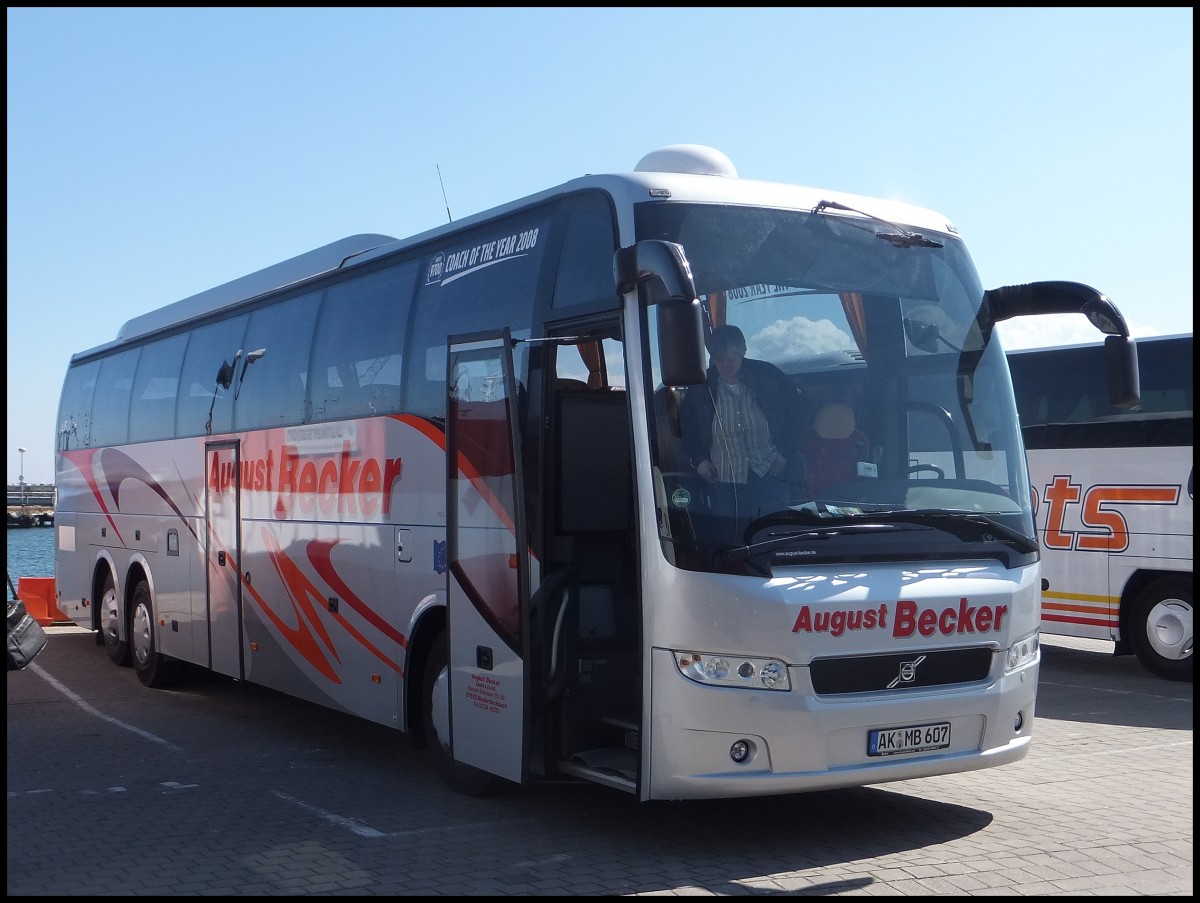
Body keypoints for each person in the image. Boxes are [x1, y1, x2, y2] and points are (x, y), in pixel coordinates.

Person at [679, 325, 807, 537]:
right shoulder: (701, 386)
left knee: (774, 533)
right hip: (724, 477)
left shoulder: (769, 376)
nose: (726, 365)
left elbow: (799, 415)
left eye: (731, 359)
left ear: (743, 352)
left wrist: (785, 453)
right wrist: (700, 459)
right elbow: (686, 426)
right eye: (720, 360)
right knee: (733, 537)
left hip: (770, 471)